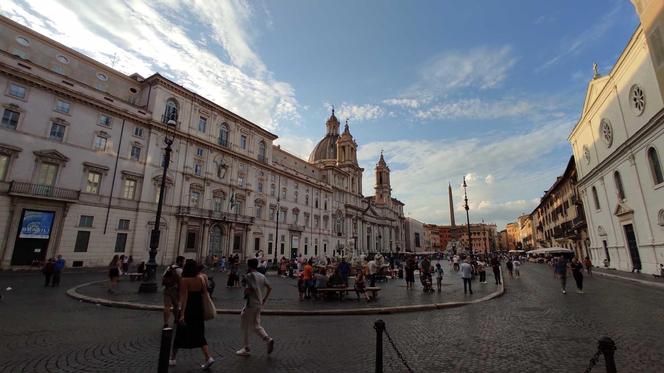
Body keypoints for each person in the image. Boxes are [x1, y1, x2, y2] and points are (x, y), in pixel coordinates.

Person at [170, 259, 214, 369]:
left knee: (180, 333)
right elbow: (205, 292)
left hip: (189, 308)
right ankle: (208, 357)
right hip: (199, 308)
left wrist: (182, 314)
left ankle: (172, 358)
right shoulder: (201, 278)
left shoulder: (185, 280)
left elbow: (184, 298)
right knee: (199, 334)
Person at [236, 258, 274, 357]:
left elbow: (249, 290)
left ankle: (246, 348)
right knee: (256, 324)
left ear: (249, 266)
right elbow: (270, 288)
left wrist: (245, 290)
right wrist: (264, 299)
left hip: (251, 303)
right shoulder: (262, 276)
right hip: (259, 304)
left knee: (245, 324)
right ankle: (268, 339)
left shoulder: (249, 276)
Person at [163, 256, 185, 327]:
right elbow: (182, 282)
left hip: (167, 289)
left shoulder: (169, 268)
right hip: (175, 290)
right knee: (176, 305)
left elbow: (163, 276)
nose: (183, 263)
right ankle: (176, 319)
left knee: (167, 306)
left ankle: (166, 323)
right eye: (183, 261)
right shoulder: (180, 270)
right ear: (179, 262)